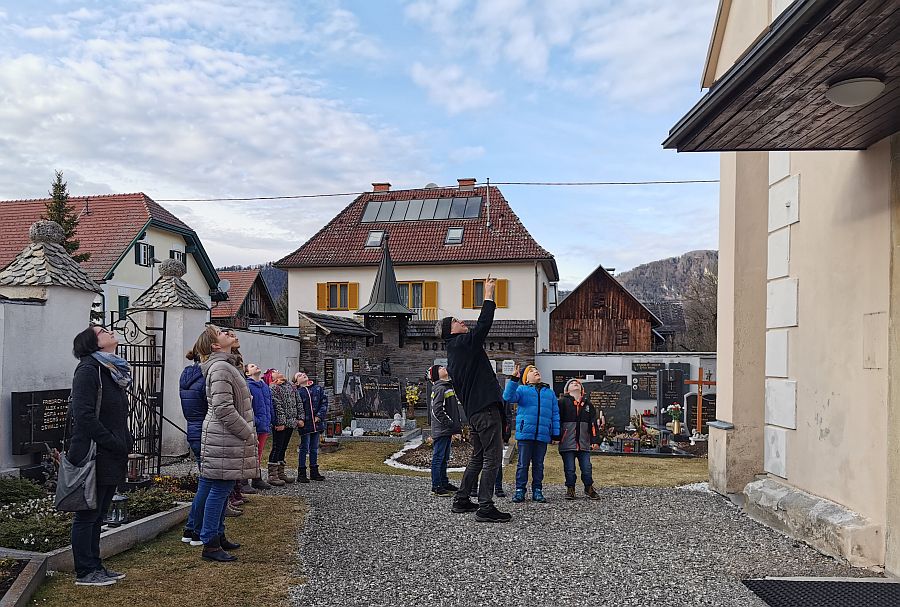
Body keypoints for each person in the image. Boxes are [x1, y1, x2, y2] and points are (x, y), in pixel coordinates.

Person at [438, 275, 511, 523]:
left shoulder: (454, 352)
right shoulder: (460, 344)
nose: (461, 321)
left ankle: (461, 499)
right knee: (492, 457)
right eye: (456, 321)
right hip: (485, 410)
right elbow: (483, 326)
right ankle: (485, 506)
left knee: (478, 456)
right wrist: (488, 294)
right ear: (450, 331)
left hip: (475, 413)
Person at [68, 325, 133, 586]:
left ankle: (96, 565)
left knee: (100, 512)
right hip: (94, 452)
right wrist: (112, 441)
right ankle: (85, 571)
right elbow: (82, 415)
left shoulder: (109, 370)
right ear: (93, 344)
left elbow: (115, 413)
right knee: (87, 514)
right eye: (103, 331)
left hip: (111, 451)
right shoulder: (88, 370)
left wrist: (122, 442)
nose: (110, 332)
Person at [196, 326, 259, 562]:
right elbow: (223, 408)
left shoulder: (226, 364)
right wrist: (246, 432)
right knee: (219, 490)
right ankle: (210, 543)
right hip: (224, 436)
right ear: (215, 345)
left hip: (225, 436)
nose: (229, 333)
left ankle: (218, 535)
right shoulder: (221, 367)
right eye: (222, 332)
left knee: (221, 490)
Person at [503, 363, 560, 503]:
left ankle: (537, 490)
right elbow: (508, 397)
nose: (536, 372)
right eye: (531, 371)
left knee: (539, 464)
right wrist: (513, 380)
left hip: (542, 434)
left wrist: (555, 433)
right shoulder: (522, 389)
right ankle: (520, 490)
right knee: (523, 464)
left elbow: (555, 414)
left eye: (536, 370)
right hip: (525, 434)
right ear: (526, 379)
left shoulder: (549, 392)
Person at [180, 348, 208, 546]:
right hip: (206, 431)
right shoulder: (205, 378)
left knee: (205, 482)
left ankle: (192, 529)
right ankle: (195, 529)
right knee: (207, 484)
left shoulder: (186, 375)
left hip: (194, 429)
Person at [558, 378, 601, 500]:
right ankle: (570, 488)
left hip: (583, 442)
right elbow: (557, 421)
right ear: (567, 390)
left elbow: (593, 424)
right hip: (567, 442)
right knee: (570, 468)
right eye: (571, 383)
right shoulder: (562, 403)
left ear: (582, 390)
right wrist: (556, 436)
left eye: (577, 383)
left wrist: (594, 440)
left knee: (586, 467)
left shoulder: (588, 405)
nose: (575, 383)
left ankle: (589, 487)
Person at [428, 365, 461, 497]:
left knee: (444, 458)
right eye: (440, 368)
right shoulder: (440, 388)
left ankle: (443, 482)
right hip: (442, 429)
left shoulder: (447, 387)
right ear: (436, 375)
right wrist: (450, 423)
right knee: (438, 458)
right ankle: (436, 486)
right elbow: (437, 410)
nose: (444, 368)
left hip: (446, 429)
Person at [245, 363, 278, 489]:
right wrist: (256, 420)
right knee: (249, 453)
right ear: (247, 373)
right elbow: (248, 407)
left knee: (258, 453)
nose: (256, 367)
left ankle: (256, 478)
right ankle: (244, 480)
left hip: (264, 425)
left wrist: (272, 419)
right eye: (252, 366)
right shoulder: (248, 386)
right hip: (254, 425)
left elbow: (269, 404)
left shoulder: (264, 386)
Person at [295, 371, 327, 482]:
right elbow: (297, 407)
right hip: (305, 424)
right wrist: (300, 419)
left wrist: (319, 416)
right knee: (304, 447)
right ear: (297, 382)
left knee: (314, 447)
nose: (302, 375)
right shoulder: (298, 392)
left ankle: (314, 470)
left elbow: (324, 402)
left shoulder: (317, 389)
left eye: (303, 374)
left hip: (317, 423)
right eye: (299, 376)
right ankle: (302, 472)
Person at [269, 371, 298, 484]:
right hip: (281, 423)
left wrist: (298, 418)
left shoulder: (289, 386)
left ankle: (281, 473)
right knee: (277, 447)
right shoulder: (273, 388)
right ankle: (273, 475)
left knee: (283, 447)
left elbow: (296, 402)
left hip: (290, 421)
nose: (278, 372)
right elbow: (277, 406)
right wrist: (280, 422)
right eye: (275, 372)